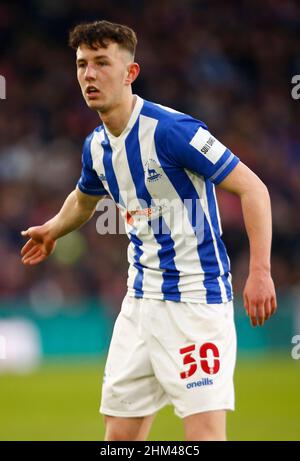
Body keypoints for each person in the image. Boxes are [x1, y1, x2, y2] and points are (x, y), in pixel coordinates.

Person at [21, 20, 277, 441]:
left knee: (204, 438)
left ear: (130, 73)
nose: (89, 74)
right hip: (139, 305)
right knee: (119, 439)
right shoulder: (96, 146)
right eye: (82, 64)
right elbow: (84, 199)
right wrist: (52, 229)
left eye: (102, 63)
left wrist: (261, 271)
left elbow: (254, 188)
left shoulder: (174, 131)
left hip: (196, 303)